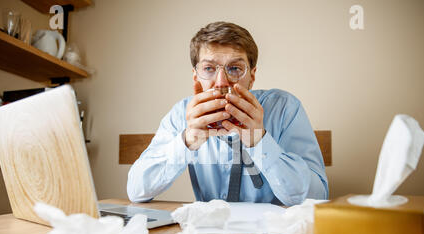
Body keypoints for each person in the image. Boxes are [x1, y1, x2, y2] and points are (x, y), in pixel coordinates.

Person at [127, 21, 328, 206]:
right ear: (196, 77)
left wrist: (259, 141)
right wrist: (187, 141)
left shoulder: (284, 109)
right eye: (208, 68)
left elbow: (318, 197)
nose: (222, 82)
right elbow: (136, 191)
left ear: (252, 76)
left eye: (234, 68)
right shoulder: (181, 114)